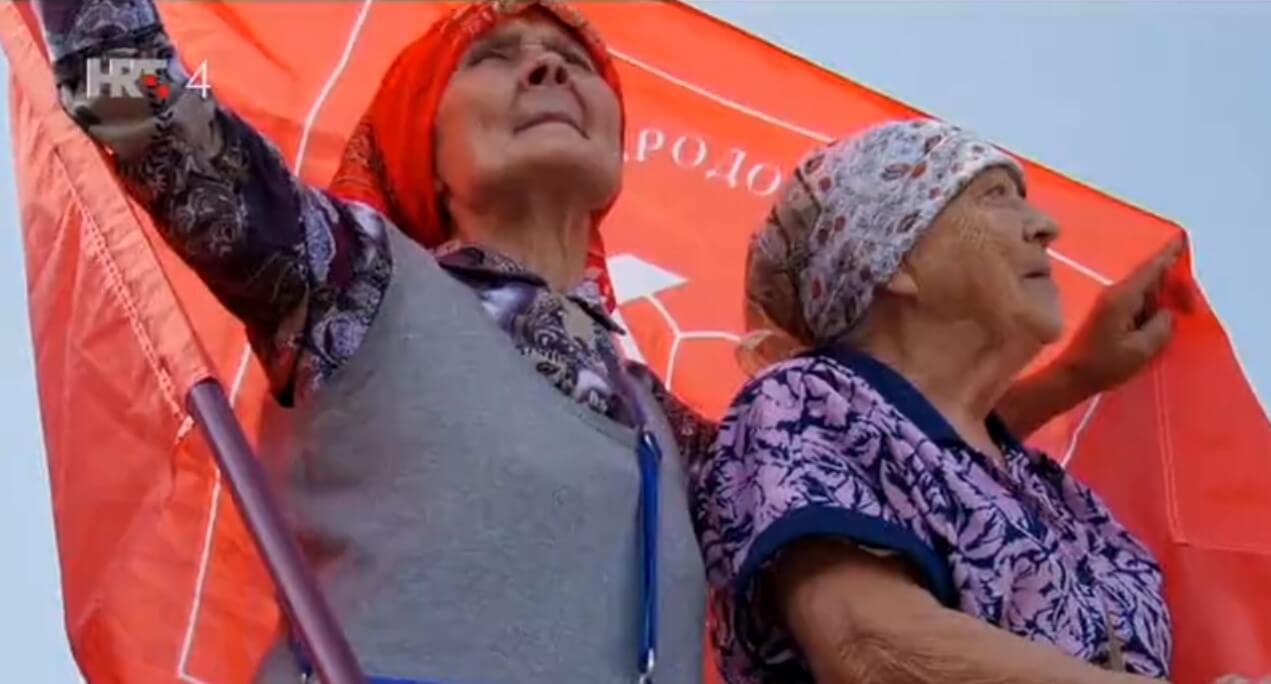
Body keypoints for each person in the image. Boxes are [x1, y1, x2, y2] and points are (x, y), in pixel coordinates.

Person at [34, 0, 1178, 680]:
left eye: (574, 58)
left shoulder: (666, 430)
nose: (547, 65)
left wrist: (1068, 377)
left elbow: (871, 462)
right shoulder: (351, 280)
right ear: (428, 152)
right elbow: (133, 109)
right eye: (493, 56)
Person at [692, 119, 1176, 684]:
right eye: (994, 196)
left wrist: (1077, 376)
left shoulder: (1054, 492)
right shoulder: (802, 404)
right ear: (891, 257)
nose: (1046, 227)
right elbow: (873, 649)